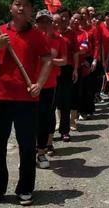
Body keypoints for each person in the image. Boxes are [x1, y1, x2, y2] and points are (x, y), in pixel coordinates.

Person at [0, 0, 52, 208]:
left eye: (26, 5)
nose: (21, 8)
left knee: (27, 146)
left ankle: (25, 189)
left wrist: (39, 84)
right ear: (11, 8)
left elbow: (48, 59)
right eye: (17, 4)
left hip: (26, 100)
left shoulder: (38, 35)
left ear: (31, 10)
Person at [35, 10, 67, 167]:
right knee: (28, 120)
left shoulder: (58, 40)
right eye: (41, 21)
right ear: (36, 22)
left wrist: (50, 61)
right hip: (31, 84)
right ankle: (29, 152)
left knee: (45, 118)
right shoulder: (31, 38)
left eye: (47, 21)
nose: (44, 24)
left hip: (49, 84)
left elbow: (64, 60)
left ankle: (41, 151)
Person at [53, 8, 78, 142]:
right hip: (52, 69)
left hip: (67, 69)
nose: (64, 19)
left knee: (66, 100)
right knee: (53, 101)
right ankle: (48, 133)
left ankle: (65, 131)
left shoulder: (71, 33)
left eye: (66, 17)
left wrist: (75, 69)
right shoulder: (52, 32)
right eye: (61, 16)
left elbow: (75, 52)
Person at [96, 11, 109, 96]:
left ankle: (105, 89)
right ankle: (98, 91)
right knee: (101, 72)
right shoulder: (101, 26)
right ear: (105, 17)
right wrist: (104, 59)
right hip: (100, 51)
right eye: (108, 16)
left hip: (108, 52)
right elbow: (101, 43)